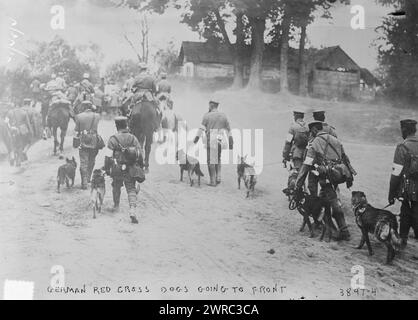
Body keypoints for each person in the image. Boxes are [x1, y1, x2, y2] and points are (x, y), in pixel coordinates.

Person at [294, 121, 353, 241]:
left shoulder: (315, 142)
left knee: (332, 199)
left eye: (312, 132)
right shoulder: (335, 140)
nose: (311, 134)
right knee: (324, 197)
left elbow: (306, 165)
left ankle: (343, 230)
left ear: (315, 130)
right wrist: (349, 176)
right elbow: (345, 159)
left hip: (325, 176)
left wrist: (298, 184)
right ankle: (319, 221)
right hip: (337, 174)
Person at [104, 116, 143, 224]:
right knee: (131, 189)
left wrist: (107, 169)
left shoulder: (113, 139)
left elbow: (108, 156)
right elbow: (140, 154)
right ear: (126, 125)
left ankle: (116, 206)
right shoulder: (133, 138)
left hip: (117, 168)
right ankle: (132, 211)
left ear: (116, 126)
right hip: (130, 168)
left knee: (116, 186)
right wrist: (140, 167)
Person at [388, 119, 418, 248]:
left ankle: (403, 241)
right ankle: (405, 241)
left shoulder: (402, 147)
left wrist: (391, 193)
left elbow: (396, 173)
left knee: (406, 212)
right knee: (410, 212)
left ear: (404, 130)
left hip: (408, 189)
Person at [194, 98, 233, 187]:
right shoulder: (223, 116)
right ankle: (218, 177)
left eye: (209, 105)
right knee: (218, 158)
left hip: (211, 138)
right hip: (220, 138)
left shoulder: (207, 116)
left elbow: (201, 129)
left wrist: (196, 139)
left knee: (210, 161)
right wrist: (231, 141)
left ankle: (213, 181)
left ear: (211, 105)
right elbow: (229, 130)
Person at [308, 109, 338, 196]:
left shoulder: (312, 129)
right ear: (323, 117)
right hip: (330, 162)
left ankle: (315, 201)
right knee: (328, 183)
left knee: (312, 183)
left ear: (314, 117)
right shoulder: (331, 129)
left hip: (316, 162)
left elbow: (310, 145)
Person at [74, 101, 101, 190]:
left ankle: (84, 182)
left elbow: (77, 130)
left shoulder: (79, 116)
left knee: (83, 162)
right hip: (94, 140)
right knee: (92, 160)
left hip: (83, 140)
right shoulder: (97, 116)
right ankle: (88, 177)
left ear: (82, 107)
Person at [282, 109, 309, 190]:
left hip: (296, 154)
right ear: (303, 116)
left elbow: (288, 143)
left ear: (296, 116)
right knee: (304, 173)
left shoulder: (293, 127)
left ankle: (294, 191)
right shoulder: (308, 127)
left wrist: (285, 155)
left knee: (295, 172)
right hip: (307, 154)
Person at [5, 100, 34, 166]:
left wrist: (9, 128)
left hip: (13, 130)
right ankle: (19, 158)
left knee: (13, 144)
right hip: (22, 130)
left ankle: (12, 156)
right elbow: (28, 123)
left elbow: (6, 122)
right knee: (22, 144)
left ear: (14, 105)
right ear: (20, 105)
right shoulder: (24, 112)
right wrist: (30, 131)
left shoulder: (10, 112)